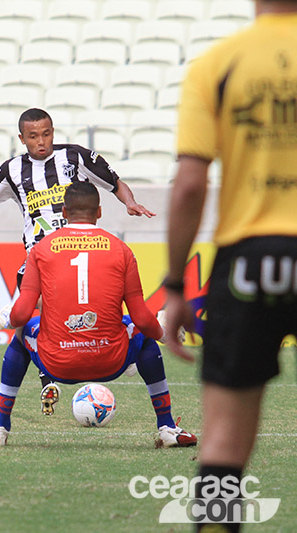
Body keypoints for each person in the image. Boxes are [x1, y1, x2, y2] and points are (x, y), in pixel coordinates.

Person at [0, 107, 157, 414]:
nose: (41, 142)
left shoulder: (75, 158)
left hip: (83, 252)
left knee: (82, 310)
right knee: (33, 313)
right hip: (41, 259)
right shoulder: (11, 170)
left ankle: (74, 363)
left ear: (53, 131)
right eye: (33, 136)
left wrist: (130, 203)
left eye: (46, 134)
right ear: (22, 138)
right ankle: (47, 375)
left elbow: (115, 183)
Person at [165, 2, 297, 530]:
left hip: (248, 259)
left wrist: (176, 283)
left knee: (222, 443)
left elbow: (191, 185)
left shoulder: (217, 64)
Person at [0, 182, 196, 449]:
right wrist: (164, 333)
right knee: (141, 330)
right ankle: (166, 428)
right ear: (99, 212)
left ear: (64, 211)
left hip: (57, 363)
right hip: (111, 361)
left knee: (22, 333)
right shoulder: (121, 250)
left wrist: (9, 317)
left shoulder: (41, 250)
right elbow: (142, 318)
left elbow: (22, 313)